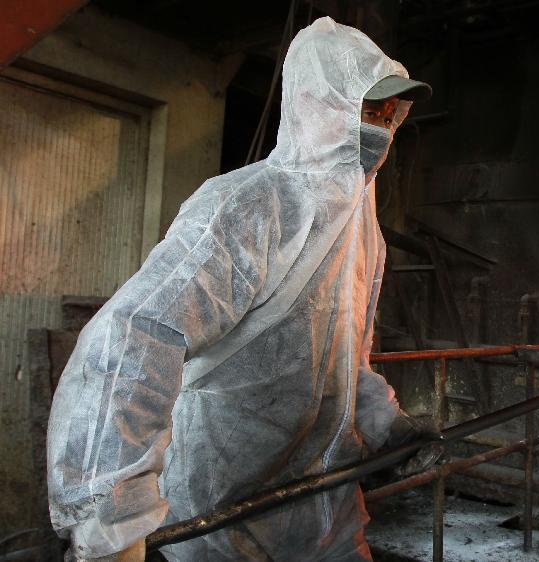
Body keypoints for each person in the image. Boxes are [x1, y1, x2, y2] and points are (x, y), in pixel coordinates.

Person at [46, 17, 432, 562]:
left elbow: (349, 357)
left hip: (320, 500)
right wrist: (114, 516)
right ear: (315, 103)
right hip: (219, 504)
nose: (381, 126)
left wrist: (385, 424)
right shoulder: (251, 204)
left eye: (390, 113)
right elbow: (138, 335)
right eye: (368, 108)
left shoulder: (361, 229)